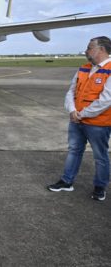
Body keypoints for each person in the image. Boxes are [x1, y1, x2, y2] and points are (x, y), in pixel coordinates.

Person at [48, 36, 111, 201]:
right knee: (74, 151)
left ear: (102, 50)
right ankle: (67, 181)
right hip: (76, 120)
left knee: (100, 156)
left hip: (98, 124)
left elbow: (105, 100)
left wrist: (81, 114)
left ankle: (100, 187)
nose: (86, 51)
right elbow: (71, 91)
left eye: (90, 48)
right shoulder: (83, 68)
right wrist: (72, 110)